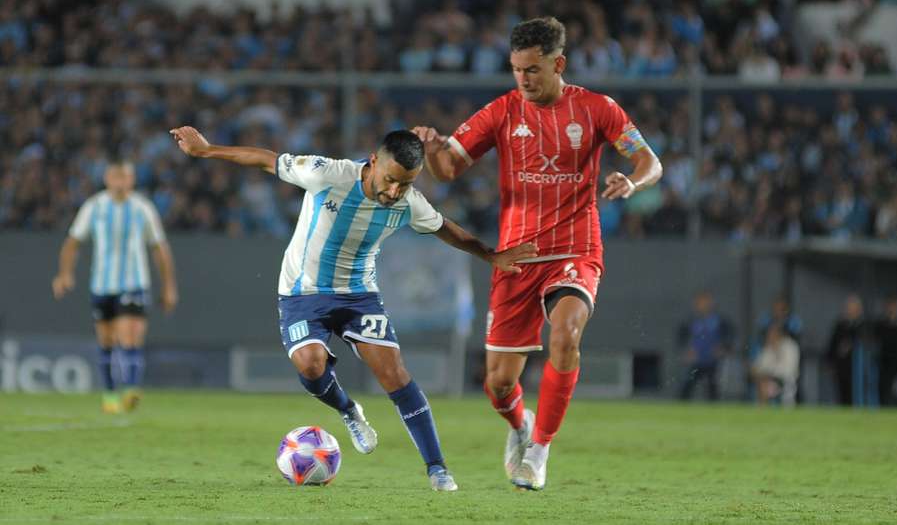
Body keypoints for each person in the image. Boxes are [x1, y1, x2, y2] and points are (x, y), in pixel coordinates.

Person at [169, 126, 536, 492]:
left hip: (359, 296)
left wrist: (490, 255)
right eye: (390, 180)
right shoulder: (327, 174)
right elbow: (267, 160)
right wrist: (207, 151)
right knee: (311, 367)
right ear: (374, 161)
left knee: (393, 372)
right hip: (302, 293)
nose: (394, 192)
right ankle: (348, 410)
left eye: (404, 185)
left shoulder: (410, 204)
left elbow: (444, 228)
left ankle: (437, 468)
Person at [411, 16, 662, 490]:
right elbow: (446, 172)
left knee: (565, 336)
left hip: (575, 250)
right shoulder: (502, 112)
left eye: (532, 70)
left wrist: (632, 180)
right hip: (515, 259)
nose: (523, 80)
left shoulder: (596, 109)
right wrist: (433, 148)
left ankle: (540, 451)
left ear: (558, 63)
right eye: (516, 70)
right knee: (498, 385)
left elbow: (650, 160)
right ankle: (519, 425)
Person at [52, 160, 178, 413]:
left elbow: (160, 248)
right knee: (107, 340)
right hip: (101, 284)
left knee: (129, 334)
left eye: (125, 177)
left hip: (134, 283)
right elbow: (72, 242)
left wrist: (169, 286)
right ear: (107, 179)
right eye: (115, 177)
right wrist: (64, 274)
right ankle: (110, 395)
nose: (120, 182)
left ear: (132, 180)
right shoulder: (94, 207)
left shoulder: (142, 208)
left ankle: (131, 389)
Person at [677, 290, 733, 401]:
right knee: (688, 385)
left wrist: (723, 348)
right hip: (696, 360)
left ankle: (714, 410)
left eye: (705, 302)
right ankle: (681, 408)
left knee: (713, 387)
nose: (702, 306)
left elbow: (729, 336)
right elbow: (681, 338)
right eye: (699, 303)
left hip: (713, 361)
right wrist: (686, 350)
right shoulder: (690, 321)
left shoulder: (719, 321)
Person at [827, 294, 866, 406]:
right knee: (841, 391)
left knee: (856, 391)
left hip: (857, 368)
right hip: (841, 365)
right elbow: (832, 344)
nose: (849, 310)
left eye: (852, 308)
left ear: (859, 310)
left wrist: (851, 345)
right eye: (848, 308)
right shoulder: (839, 325)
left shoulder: (863, 326)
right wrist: (831, 361)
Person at [750, 322, 800, 407]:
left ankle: (763, 410)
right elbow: (758, 366)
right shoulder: (768, 348)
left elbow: (790, 370)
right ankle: (762, 410)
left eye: (773, 333)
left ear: (780, 334)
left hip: (785, 382)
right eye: (769, 334)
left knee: (765, 385)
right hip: (768, 379)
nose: (770, 336)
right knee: (762, 382)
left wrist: (770, 373)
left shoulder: (790, 347)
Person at [874, 295, 897, 406]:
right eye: (891, 306)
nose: (893, 309)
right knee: (883, 390)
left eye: (895, 306)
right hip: (885, 363)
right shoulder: (881, 325)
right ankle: (883, 410)